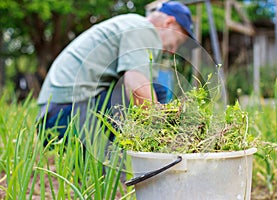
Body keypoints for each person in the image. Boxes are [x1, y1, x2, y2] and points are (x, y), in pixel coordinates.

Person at [36, 1, 195, 144]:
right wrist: (166, 136)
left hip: (52, 119)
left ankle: (108, 161)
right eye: (177, 41)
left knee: (152, 93)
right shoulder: (144, 29)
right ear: (168, 23)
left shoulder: (130, 24)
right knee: (155, 92)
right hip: (63, 117)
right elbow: (137, 87)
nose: (173, 50)